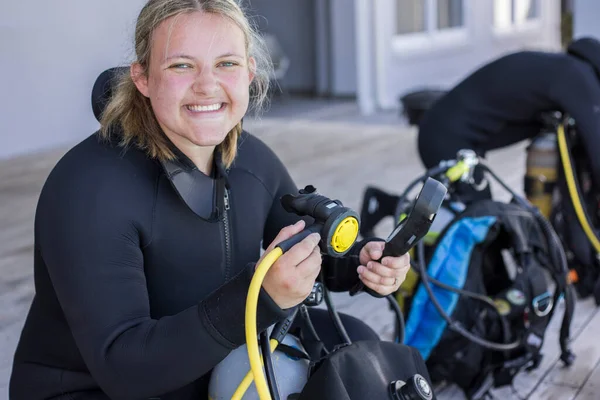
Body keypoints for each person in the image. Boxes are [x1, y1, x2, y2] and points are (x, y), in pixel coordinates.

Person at [9, 1, 411, 399]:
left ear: (249, 73)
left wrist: (362, 263)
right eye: (181, 65)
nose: (206, 85)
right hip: (97, 388)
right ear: (143, 78)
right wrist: (263, 297)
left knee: (355, 347)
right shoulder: (90, 189)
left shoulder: (250, 160)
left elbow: (303, 247)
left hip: (206, 366)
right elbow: (124, 369)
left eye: (227, 64)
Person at [417, 37, 600, 202]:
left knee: (461, 215)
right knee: (480, 223)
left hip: (441, 131)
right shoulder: (579, 78)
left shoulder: (563, 68)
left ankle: (390, 205)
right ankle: (392, 209)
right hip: (447, 139)